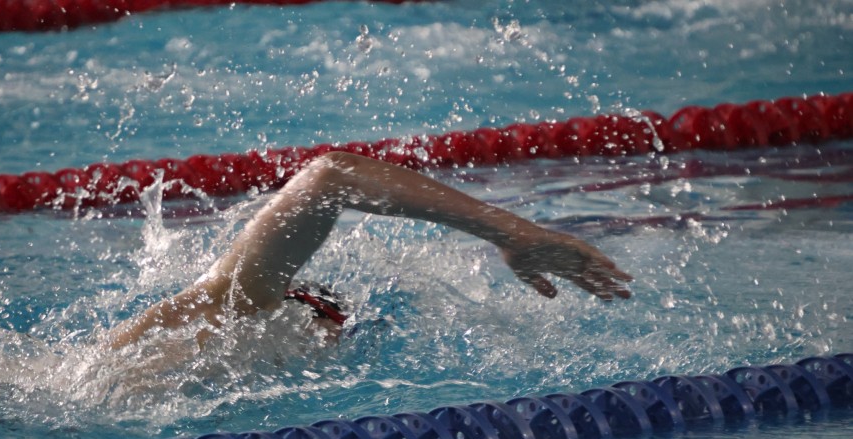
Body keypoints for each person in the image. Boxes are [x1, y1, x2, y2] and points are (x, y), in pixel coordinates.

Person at [108, 152, 632, 350]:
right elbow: (331, 175)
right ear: (304, 309)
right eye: (337, 328)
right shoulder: (236, 306)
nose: (334, 345)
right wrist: (508, 232)